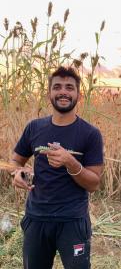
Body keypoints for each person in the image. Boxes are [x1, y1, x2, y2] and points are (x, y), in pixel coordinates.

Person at [12, 66, 104, 269]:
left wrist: (70, 162)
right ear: (49, 93)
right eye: (58, 87)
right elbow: (16, 161)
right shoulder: (34, 128)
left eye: (70, 87)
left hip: (72, 222)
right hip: (36, 219)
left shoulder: (90, 134)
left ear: (78, 95)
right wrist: (18, 173)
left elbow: (94, 184)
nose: (63, 92)